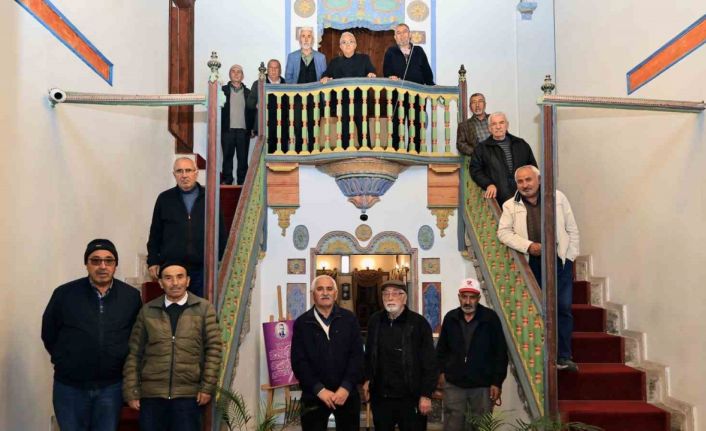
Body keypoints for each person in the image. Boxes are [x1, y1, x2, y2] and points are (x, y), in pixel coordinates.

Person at [42, 239, 142, 431]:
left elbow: (136, 337)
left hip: (111, 388)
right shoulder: (64, 294)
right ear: (86, 264)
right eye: (95, 260)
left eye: (108, 261)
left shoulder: (130, 297)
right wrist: (65, 359)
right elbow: (49, 332)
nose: (102, 266)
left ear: (115, 265)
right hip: (70, 387)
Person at [497, 165, 580, 371]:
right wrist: (528, 246)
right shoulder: (509, 205)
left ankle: (563, 356)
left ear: (539, 180)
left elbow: (572, 229)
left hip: (560, 261)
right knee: (536, 308)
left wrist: (570, 257)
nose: (525, 185)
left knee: (563, 307)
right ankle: (542, 356)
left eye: (528, 180)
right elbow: (503, 233)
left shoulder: (558, 198)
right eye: (520, 181)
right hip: (532, 263)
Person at [123, 262, 222, 431]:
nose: (175, 283)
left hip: (188, 396)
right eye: (168, 278)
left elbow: (214, 350)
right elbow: (134, 353)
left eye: (180, 277)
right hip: (152, 396)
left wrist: (207, 387)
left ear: (188, 281)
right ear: (161, 283)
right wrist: (131, 390)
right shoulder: (148, 310)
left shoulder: (204, 309)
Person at [290, 275, 364, 431]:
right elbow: (299, 361)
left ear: (335, 294)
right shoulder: (302, 323)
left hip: (346, 395)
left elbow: (357, 357)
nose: (325, 293)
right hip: (314, 396)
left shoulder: (349, 319)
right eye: (320, 289)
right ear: (313, 294)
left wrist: (346, 387)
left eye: (329, 289)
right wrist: (319, 390)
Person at [363, 279, 437, 431]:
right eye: (386, 294)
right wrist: (367, 379)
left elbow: (430, 362)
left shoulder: (419, 323)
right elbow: (369, 355)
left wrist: (426, 394)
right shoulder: (375, 321)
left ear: (404, 298)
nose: (390, 298)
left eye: (395, 294)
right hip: (381, 398)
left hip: (411, 398)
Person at [146, 157, 226, 298]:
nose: (184, 175)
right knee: (176, 308)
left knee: (201, 308)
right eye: (179, 171)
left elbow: (220, 232)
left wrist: (221, 262)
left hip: (203, 269)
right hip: (173, 269)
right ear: (174, 174)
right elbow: (155, 233)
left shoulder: (210, 197)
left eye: (188, 170)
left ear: (196, 173)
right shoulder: (164, 199)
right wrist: (152, 261)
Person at [436, 278, 508, 430]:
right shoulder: (450, 318)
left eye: (472, 297)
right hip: (454, 384)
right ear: (459, 297)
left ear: (478, 298)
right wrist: (441, 372)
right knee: (452, 425)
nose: (467, 302)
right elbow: (441, 349)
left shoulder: (490, 318)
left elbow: (500, 352)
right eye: (464, 297)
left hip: (483, 386)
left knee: (480, 426)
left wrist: (497, 382)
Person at [382, 23, 434, 152]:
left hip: (417, 95)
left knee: (416, 125)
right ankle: (396, 153)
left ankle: (415, 153)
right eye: (398, 33)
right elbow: (386, 71)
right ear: (395, 37)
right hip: (397, 95)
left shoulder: (419, 51)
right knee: (396, 125)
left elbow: (427, 73)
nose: (402, 35)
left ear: (409, 34)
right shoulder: (390, 52)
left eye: (404, 31)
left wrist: (433, 88)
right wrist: (390, 76)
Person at [320, 32, 376, 148]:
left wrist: (371, 74)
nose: (348, 44)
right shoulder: (334, 62)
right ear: (340, 46)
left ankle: (366, 155)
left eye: (351, 41)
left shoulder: (364, 59)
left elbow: (372, 71)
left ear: (355, 45)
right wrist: (325, 78)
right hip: (342, 103)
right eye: (344, 42)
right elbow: (325, 75)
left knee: (363, 133)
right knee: (344, 133)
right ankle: (345, 155)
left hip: (361, 102)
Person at [470, 112, 537, 206]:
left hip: (524, 196)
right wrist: (488, 184)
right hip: (499, 198)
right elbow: (475, 170)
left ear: (507, 125)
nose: (498, 127)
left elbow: (533, 168)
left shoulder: (521, 144)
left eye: (501, 123)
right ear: (489, 128)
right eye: (494, 124)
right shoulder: (481, 148)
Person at [285, 27, 328, 153]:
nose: (306, 39)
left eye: (309, 36)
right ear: (299, 39)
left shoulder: (321, 57)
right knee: (298, 127)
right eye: (303, 36)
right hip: (297, 100)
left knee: (313, 128)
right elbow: (288, 78)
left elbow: (324, 77)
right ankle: (299, 154)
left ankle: (313, 154)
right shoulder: (292, 57)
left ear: (313, 39)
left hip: (315, 100)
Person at [221, 64, 256, 185]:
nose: (236, 74)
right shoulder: (222, 91)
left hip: (243, 131)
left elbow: (253, 112)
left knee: (243, 158)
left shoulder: (248, 93)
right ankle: (227, 180)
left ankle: (242, 182)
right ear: (229, 74)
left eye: (239, 72)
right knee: (227, 157)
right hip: (227, 130)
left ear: (242, 76)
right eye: (233, 71)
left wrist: (252, 128)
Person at [247, 59, 288, 154]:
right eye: (271, 67)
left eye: (276, 68)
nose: (273, 70)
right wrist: (256, 104)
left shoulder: (286, 84)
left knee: (281, 155)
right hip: (264, 126)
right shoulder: (258, 83)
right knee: (265, 155)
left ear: (280, 70)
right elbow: (249, 103)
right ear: (267, 69)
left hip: (282, 127)